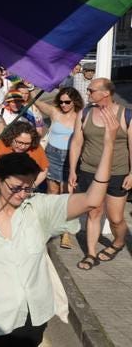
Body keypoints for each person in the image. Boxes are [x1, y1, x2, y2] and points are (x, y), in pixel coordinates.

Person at [0, 109, 119, 346]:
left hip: (30, 319)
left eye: (28, 188)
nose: (22, 194)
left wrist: (109, 145)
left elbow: (92, 199)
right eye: (16, 187)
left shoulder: (39, 208)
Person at [68, 78, 132, 271]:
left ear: (105, 93)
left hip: (117, 173)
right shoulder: (85, 113)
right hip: (89, 171)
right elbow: (77, 143)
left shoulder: (126, 114)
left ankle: (119, 241)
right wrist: (73, 170)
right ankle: (91, 253)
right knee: (94, 212)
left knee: (115, 218)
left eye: (91, 90)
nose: (87, 93)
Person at [0, 122, 48, 186]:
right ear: (11, 137)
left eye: (27, 144)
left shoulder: (35, 147)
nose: (23, 147)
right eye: (19, 142)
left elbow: (44, 171)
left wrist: (32, 187)